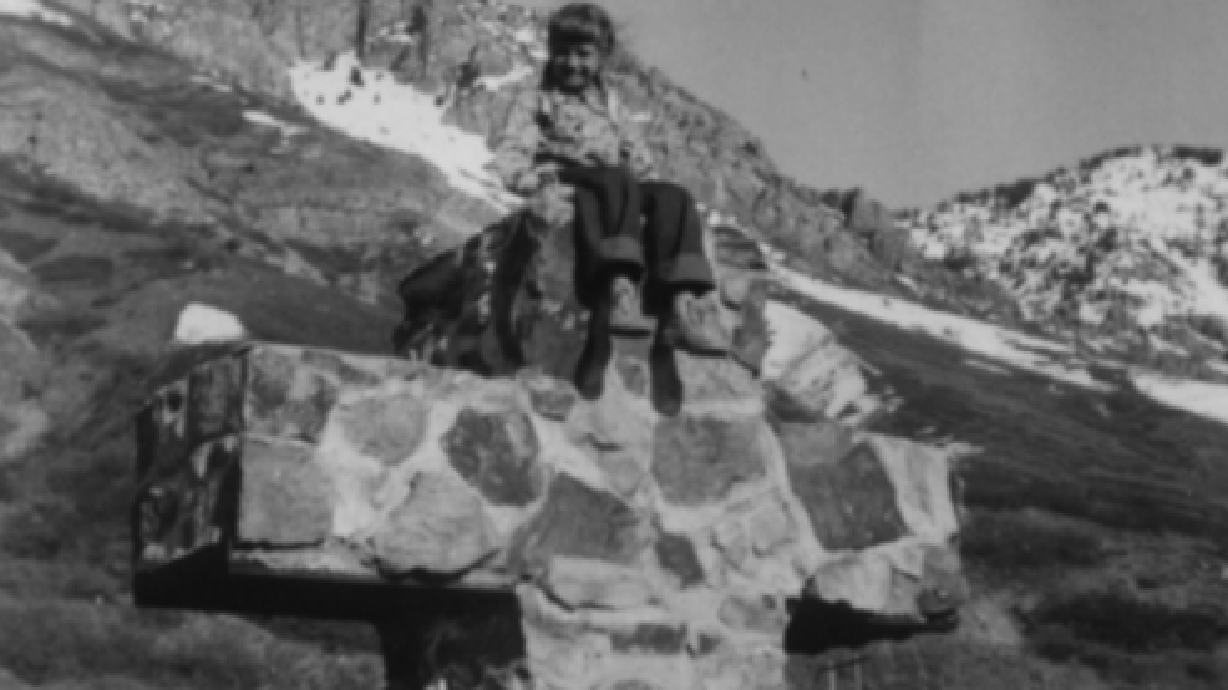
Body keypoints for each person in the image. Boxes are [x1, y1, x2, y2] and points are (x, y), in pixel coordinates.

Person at [490, 2, 728, 400]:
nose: (572, 63)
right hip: (569, 178)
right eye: (563, 52)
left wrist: (653, 196)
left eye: (583, 54)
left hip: (616, 185)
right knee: (615, 181)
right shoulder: (536, 99)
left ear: (602, 57)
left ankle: (681, 303)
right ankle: (619, 286)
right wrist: (538, 183)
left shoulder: (612, 104)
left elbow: (640, 162)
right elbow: (511, 158)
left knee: (674, 197)